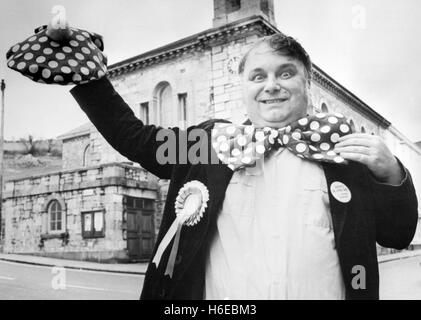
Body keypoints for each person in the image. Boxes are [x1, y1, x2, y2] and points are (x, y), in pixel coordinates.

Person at [70, 34, 416, 299]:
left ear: (306, 84)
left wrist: (392, 173)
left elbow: (397, 235)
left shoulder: (342, 153)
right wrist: (88, 78)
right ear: (243, 88)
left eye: (286, 73)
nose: (271, 85)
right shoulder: (207, 146)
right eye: (257, 76)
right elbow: (136, 138)